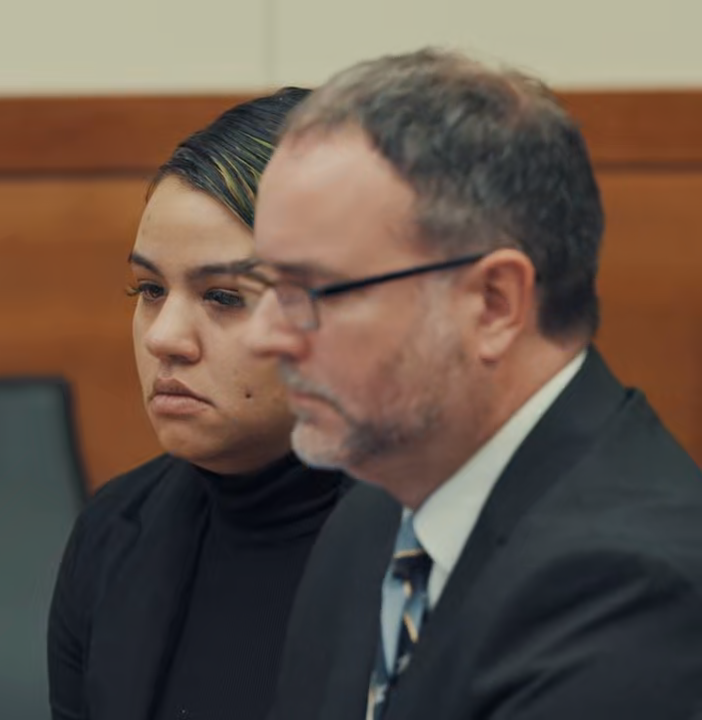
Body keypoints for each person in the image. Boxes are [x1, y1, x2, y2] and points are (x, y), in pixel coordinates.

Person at [234, 48, 702, 720]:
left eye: (312, 290)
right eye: (268, 285)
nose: (263, 336)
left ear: (493, 304)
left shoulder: (635, 590)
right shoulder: (371, 518)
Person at [46, 87, 351, 720]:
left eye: (223, 297)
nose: (163, 338)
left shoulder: (435, 545)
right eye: (149, 289)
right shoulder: (113, 534)